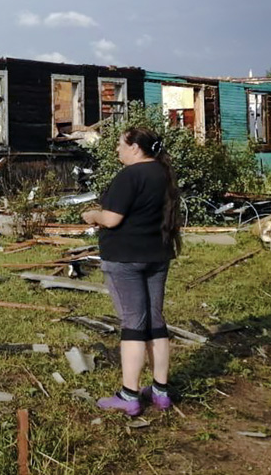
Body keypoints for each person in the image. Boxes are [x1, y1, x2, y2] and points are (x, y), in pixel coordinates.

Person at [81, 126, 182, 416]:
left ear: (135, 147)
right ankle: (161, 391)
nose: (117, 150)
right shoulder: (163, 174)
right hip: (157, 256)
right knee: (156, 322)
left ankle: (129, 395)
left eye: (120, 144)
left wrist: (92, 215)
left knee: (134, 324)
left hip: (126, 259)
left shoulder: (130, 175)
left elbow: (112, 219)